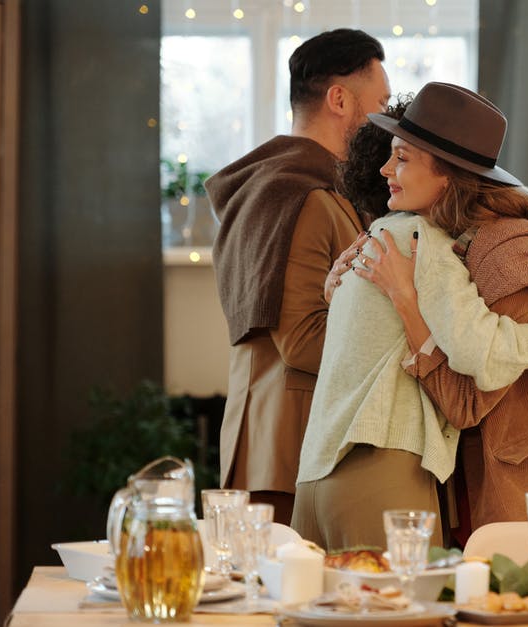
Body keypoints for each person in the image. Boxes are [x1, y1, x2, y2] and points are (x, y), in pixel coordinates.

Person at [330, 82, 528, 547]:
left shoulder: (512, 259)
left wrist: (405, 301)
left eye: (403, 158)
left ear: (448, 177)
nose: (386, 170)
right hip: (496, 478)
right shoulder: (438, 241)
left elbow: (466, 405)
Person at [204, 28, 391, 524]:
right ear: (339, 99)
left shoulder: (309, 189)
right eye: (382, 102)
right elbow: (303, 340)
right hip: (286, 452)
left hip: (293, 446)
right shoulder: (296, 195)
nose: (387, 121)